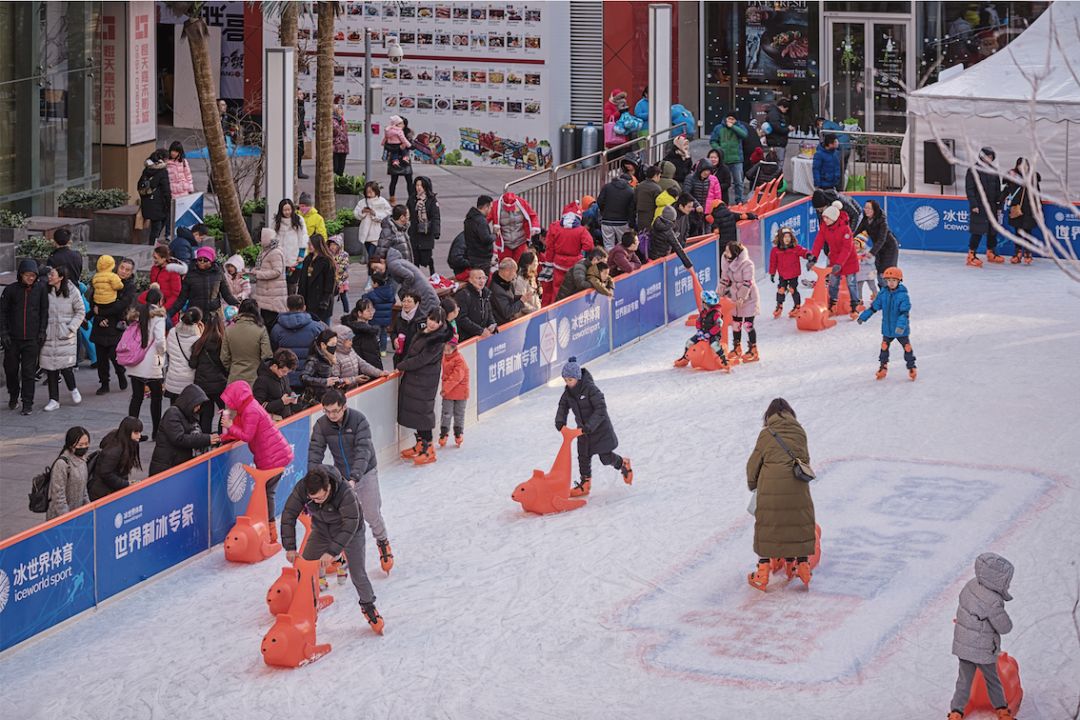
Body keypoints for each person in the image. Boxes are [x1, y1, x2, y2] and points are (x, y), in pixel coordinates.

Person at [280, 466, 385, 633]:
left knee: (358, 573)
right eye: (313, 499)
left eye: (321, 497)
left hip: (351, 532)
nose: (317, 501)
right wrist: (290, 547)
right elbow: (288, 515)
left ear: (328, 487)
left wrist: (332, 552)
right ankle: (308, 604)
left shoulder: (345, 492)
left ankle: (368, 606)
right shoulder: (303, 488)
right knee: (303, 567)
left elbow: (350, 523)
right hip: (322, 530)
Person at [308, 388, 394, 573]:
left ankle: (382, 541)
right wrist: (313, 481)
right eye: (326, 411)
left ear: (344, 407)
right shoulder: (322, 425)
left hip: (365, 471)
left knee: (371, 512)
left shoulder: (358, 420)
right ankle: (340, 554)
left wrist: (354, 478)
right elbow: (315, 452)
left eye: (335, 411)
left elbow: (363, 451)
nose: (331, 415)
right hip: (341, 475)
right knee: (341, 517)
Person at [746, 398, 814, 590]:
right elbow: (805, 460)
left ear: (768, 416)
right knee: (798, 523)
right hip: (798, 487)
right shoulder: (800, 432)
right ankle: (802, 566)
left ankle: (762, 571)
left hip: (770, 488)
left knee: (768, 526)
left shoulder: (767, 434)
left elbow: (754, 464)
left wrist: (753, 484)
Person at [220, 379, 295, 535]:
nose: (229, 404)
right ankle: (267, 528)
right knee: (265, 493)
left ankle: (270, 530)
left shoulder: (251, 410)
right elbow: (242, 428)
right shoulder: (247, 408)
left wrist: (230, 426)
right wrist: (225, 433)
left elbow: (247, 435)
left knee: (267, 494)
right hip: (272, 455)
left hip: (274, 457)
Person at [946, 553, 1016, 720]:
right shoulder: (993, 601)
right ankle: (1002, 710)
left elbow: (966, 606)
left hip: (963, 645)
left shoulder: (970, 585)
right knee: (993, 680)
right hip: (983, 650)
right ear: (998, 580)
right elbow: (1005, 627)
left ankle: (956, 712)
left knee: (963, 681)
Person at [556, 356, 633, 498]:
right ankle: (585, 484)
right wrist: (560, 422)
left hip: (600, 429)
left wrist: (590, 426)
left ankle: (623, 463)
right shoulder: (568, 392)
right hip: (583, 431)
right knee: (583, 457)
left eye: (570, 380)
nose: (568, 383)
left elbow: (601, 408)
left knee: (606, 458)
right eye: (565, 380)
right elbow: (563, 406)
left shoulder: (590, 389)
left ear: (578, 378)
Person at [397, 307, 453, 465]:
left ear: (442, 323)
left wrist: (402, 366)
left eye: (437, 321)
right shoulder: (423, 332)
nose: (432, 323)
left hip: (424, 382)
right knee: (416, 413)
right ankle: (421, 444)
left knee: (423, 414)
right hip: (415, 379)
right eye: (431, 319)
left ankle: (429, 450)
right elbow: (411, 352)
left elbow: (421, 359)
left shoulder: (437, 340)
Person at [122, 287, 167, 440]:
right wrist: (162, 354)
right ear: (160, 301)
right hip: (152, 363)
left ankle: (131, 432)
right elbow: (160, 340)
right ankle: (156, 431)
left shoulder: (136, 314)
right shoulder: (159, 317)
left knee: (137, 397)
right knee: (156, 398)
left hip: (136, 362)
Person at [857, 266, 916, 381]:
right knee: (884, 347)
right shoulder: (883, 294)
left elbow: (904, 313)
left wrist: (900, 327)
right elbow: (874, 307)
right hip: (887, 329)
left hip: (900, 330)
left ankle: (911, 367)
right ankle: (883, 367)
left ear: (899, 281)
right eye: (889, 280)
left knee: (907, 347)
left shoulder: (903, 296)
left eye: (893, 280)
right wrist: (863, 317)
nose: (891, 283)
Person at [41, 266, 85, 412]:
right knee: (50, 368)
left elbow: (80, 311)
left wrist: (70, 328)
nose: (49, 276)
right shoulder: (45, 290)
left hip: (65, 334)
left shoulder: (72, 291)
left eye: (52, 274)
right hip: (48, 334)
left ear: (60, 277)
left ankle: (73, 389)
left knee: (66, 366)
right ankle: (54, 399)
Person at [90, 258, 136, 396]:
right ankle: (104, 383)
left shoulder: (129, 286)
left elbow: (122, 305)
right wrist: (98, 317)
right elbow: (94, 299)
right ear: (117, 267)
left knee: (115, 355)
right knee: (101, 355)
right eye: (122, 268)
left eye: (127, 270)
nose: (124, 272)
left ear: (131, 272)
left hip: (116, 323)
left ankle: (121, 374)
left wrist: (102, 313)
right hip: (100, 323)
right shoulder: (105, 278)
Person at [148, 384, 218, 476]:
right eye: (197, 405)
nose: (198, 408)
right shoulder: (172, 414)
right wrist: (206, 439)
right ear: (189, 402)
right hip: (166, 466)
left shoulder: (189, 415)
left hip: (175, 464)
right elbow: (179, 438)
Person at [809, 200, 860, 318]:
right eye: (824, 217)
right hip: (835, 258)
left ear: (834, 218)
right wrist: (813, 258)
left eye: (827, 218)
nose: (824, 220)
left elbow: (847, 249)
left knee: (851, 283)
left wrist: (839, 263)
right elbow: (818, 242)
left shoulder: (845, 229)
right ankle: (833, 304)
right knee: (833, 283)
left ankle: (854, 306)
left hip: (848, 260)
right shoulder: (824, 227)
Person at [271, 294, 327, 391]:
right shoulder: (317, 327)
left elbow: (274, 351)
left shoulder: (277, 329)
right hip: (310, 376)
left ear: (287, 307)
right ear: (304, 307)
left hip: (285, 377)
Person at [167, 246, 240, 319]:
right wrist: (169, 314)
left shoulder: (219, 274)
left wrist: (238, 306)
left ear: (211, 261)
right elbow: (182, 299)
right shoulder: (190, 274)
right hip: (195, 315)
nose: (202, 262)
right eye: (199, 259)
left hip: (213, 315)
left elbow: (227, 295)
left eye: (205, 260)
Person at [542, 208, 594, 306]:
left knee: (557, 288)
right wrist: (580, 252)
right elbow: (589, 246)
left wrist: (549, 262)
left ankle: (555, 311)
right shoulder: (581, 230)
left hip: (558, 264)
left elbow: (550, 246)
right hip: (575, 264)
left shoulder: (555, 227)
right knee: (575, 288)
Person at [719, 241, 761, 363]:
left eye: (728, 251)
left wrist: (742, 297)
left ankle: (753, 349)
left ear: (735, 253)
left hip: (749, 298)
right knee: (736, 324)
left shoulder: (747, 264)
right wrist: (718, 295)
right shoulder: (726, 262)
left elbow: (748, 282)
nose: (725, 253)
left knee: (748, 325)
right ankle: (737, 348)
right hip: (734, 297)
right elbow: (724, 279)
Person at [965, 147, 1006, 266]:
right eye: (987, 156)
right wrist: (974, 204)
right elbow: (970, 189)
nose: (989, 159)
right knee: (977, 230)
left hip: (992, 206)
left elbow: (998, 189)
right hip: (979, 205)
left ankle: (991, 252)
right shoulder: (973, 170)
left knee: (992, 231)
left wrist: (999, 204)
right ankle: (971, 255)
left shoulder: (994, 171)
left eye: (991, 157)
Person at [189, 311, 228, 432]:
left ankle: (205, 442)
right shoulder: (223, 343)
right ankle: (221, 438)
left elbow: (192, 364)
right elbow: (225, 364)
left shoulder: (199, 343)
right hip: (220, 385)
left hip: (202, 385)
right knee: (225, 411)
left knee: (206, 414)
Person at [673, 290, 731, 372]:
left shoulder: (716, 313)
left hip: (713, 334)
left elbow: (718, 325)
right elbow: (698, 321)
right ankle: (685, 359)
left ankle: (723, 359)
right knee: (689, 342)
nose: (701, 303)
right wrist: (700, 330)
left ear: (705, 303)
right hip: (702, 333)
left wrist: (710, 333)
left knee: (714, 345)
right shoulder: (703, 312)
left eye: (702, 302)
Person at [88, 416, 143, 501]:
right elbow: (106, 473)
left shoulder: (125, 444)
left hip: (110, 490)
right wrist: (126, 484)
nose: (139, 436)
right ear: (128, 432)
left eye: (140, 432)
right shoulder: (114, 450)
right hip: (103, 493)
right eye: (136, 433)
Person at [222, 298, 271, 386]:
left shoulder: (229, 330)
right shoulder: (261, 330)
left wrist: (233, 368)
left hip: (234, 378)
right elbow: (267, 355)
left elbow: (224, 357)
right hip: (255, 380)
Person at [851, 199, 899, 286]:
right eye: (865, 208)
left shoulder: (882, 221)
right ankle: (884, 295)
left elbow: (882, 239)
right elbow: (857, 232)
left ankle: (892, 295)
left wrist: (872, 252)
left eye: (869, 208)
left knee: (886, 273)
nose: (866, 210)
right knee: (879, 273)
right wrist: (847, 241)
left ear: (875, 210)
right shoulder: (866, 220)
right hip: (879, 249)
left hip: (890, 248)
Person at [46, 426, 91, 520]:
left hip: (77, 514)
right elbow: (58, 497)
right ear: (71, 445)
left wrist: (88, 507)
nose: (84, 447)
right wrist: (67, 518)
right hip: (61, 519)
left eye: (86, 444)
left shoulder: (82, 460)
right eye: (80, 445)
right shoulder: (62, 464)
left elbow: (84, 489)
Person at [1004, 157, 1041, 264]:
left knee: (1028, 231)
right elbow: (1006, 190)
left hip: (1029, 209)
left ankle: (1028, 253)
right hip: (1017, 208)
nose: (1023, 168)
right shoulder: (1012, 177)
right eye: (1021, 166)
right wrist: (1000, 200)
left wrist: (1038, 208)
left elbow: (1037, 194)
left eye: (1025, 166)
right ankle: (1017, 252)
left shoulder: (1032, 178)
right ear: (1017, 166)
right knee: (1018, 232)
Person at [710, 112, 750, 205]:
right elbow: (713, 141)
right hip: (723, 159)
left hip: (736, 159)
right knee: (723, 182)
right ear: (725, 118)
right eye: (729, 118)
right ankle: (722, 201)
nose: (730, 121)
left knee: (738, 182)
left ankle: (739, 200)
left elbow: (744, 135)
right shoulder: (719, 128)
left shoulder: (739, 127)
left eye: (733, 119)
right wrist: (718, 149)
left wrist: (732, 127)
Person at [768, 227, 808, 318]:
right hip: (783, 274)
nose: (787, 239)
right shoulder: (775, 251)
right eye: (785, 237)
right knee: (781, 290)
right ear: (780, 238)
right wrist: (772, 273)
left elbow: (803, 252)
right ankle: (779, 305)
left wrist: (808, 255)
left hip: (794, 274)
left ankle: (797, 307)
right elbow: (773, 263)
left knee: (792, 289)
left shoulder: (795, 248)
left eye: (789, 237)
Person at [252, 227, 289, 328]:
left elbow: (277, 271)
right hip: (267, 294)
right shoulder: (267, 250)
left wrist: (258, 274)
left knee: (270, 322)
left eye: (261, 238)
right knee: (266, 320)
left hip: (272, 295)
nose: (259, 241)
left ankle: (271, 343)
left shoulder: (275, 252)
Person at [489, 191, 540, 263]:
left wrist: (534, 227)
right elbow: (485, 220)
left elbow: (533, 216)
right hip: (504, 244)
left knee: (521, 264)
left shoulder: (522, 203)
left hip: (520, 241)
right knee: (505, 265)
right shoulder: (495, 206)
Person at [330, 323, 387, 387]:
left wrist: (379, 373)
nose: (351, 342)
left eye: (351, 339)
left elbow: (363, 364)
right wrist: (355, 380)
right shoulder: (334, 357)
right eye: (348, 340)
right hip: (341, 394)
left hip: (354, 391)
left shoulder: (351, 351)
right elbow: (335, 381)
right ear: (339, 341)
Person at [164, 307, 203, 400]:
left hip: (172, 379)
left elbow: (168, 351)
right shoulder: (197, 339)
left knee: (174, 410)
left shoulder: (173, 332)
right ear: (198, 322)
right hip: (189, 381)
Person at [405, 176, 440, 276]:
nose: (418, 187)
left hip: (426, 232)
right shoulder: (412, 198)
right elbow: (407, 212)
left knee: (426, 257)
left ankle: (432, 270)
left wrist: (436, 231)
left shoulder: (432, 200)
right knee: (415, 257)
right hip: (414, 232)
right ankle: (417, 277)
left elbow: (436, 217)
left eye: (421, 185)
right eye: (417, 185)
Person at [272, 198, 309, 295]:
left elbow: (303, 238)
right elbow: (273, 239)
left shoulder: (298, 220)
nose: (287, 212)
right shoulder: (277, 222)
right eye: (285, 210)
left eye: (289, 209)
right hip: (280, 259)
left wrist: (301, 255)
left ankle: (292, 305)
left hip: (295, 259)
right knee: (281, 285)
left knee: (292, 284)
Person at [298, 233, 337, 323]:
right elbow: (303, 280)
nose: (309, 246)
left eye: (310, 244)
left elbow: (330, 283)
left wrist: (325, 300)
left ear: (317, 245)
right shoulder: (308, 259)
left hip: (321, 300)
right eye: (308, 244)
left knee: (323, 326)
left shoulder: (327, 261)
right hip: (308, 298)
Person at [438, 337, 469, 448]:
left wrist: (445, 389)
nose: (445, 353)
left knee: (459, 414)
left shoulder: (459, 360)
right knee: (446, 414)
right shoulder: (444, 357)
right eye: (444, 350)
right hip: (449, 393)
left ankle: (458, 433)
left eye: (448, 351)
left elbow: (456, 377)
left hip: (460, 393)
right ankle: (444, 433)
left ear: (454, 349)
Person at [301, 327, 345, 404]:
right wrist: (325, 382)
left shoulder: (331, 357)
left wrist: (338, 382)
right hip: (317, 400)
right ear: (323, 345)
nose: (334, 347)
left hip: (329, 397)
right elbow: (304, 377)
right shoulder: (314, 360)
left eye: (335, 344)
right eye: (332, 344)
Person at [253, 348, 300, 420]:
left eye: (287, 372)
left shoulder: (283, 376)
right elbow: (257, 407)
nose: (285, 374)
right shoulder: (262, 381)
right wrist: (281, 402)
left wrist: (292, 396)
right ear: (275, 366)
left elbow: (287, 390)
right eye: (284, 371)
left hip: (286, 419)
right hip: (271, 423)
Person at [140, 246, 187, 314]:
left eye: (156, 258)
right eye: (153, 257)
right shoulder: (154, 269)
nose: (154, 260)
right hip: (155, 305)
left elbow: (175, 294)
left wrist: (164, 308)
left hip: (166, 308)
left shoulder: (173, 272)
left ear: (164, 258)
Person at [138, 149, 172, 243]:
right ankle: (152, 248)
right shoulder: (162, 172)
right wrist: (169, 204)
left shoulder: (146, 170)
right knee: (156, 229)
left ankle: (151, 245)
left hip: (147, 202)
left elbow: (140, 186)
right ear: (163, 159)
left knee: (154, 227)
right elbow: (166, 191)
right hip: (159, 205)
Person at [354, 181, 393, 260]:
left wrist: (375, 214)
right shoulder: (362, 202)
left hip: (377, 233)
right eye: (367, 191)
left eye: (371, 191)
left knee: (373, 256)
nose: (369, 193)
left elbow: (388, 213)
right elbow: (356, 214)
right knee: (370, 254)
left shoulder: (382, 201)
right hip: (366, 233)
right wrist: (362, 212)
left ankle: (373, 270)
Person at [454, 268, 496, 340]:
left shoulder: (486, 293)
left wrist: (492, 324)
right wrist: (480, 331)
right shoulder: (463, 295)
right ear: (470, 280)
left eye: (484, 278)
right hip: (468, 338)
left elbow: (489, 312)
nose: (482, 281)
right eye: (478, 278)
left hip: (483, 336)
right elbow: (461, 318)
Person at [596, 173, 635, 250]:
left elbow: (600, 201)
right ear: (630, 181)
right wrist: (631, 223)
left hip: (606, 220)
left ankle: (610, 261)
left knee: (608, 245)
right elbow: (632, 209)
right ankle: (620, 260)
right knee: (623, 245)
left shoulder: (607, 187)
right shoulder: (630, 191)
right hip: (622, 222)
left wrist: (603, 212)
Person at [342, 298, 384, 370]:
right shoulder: (367, 333)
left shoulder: (350, 327)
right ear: (359, 313)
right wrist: (379, 371)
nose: (371, 313)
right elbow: (371, 356)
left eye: (372, 310)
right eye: (368, 311)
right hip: (367, 370)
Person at [382, 114, 413, 204]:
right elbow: (387, 146)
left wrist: (407, 146)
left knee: (409, 180)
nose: (401, 125)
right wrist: (399, 148)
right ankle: (392, 199)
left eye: (402, 123)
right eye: (399, 123)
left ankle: (411, 199)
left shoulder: (408, 133)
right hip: (394, 159)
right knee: (393, 180)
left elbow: (411, 146)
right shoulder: (391, 133)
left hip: (405, 159)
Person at [361, 274, 394, 354]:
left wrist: (366, 292)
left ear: (376, 283)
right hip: (387, 318)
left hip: (375, 318)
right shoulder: (390, 291)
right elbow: (394, 301)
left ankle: (374, 349)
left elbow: (365, 300)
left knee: (374, 334)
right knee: (384, 333)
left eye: (372, 282)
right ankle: (383, 350)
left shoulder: (372, 293)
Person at [463, 195, 496, 274]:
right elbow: (486, 239)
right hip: (482, 259)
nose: (491, 210)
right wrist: (495, 234)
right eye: (490, 208)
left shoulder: (469, 218)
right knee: (482, 281)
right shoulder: (481, 221)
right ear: (486, 206)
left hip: (472, 256)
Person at [491, 258, 526, 325]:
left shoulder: (508, 282)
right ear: (507, 271)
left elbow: (510, 298)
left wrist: (521, 297)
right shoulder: (497, 290)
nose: (515, 275)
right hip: (501, 325)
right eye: (514, 272)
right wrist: (521, 301)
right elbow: (507, 312)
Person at [390, 292, 421, 364]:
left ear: (416, 303)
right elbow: (393, 332)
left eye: (409, 301)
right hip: (400, 357)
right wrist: (394, 339)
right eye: (404, 301)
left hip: (414, 358)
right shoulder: (399, 316)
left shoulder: (421, 319)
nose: (406, 304)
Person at [634, 165, 663, 234]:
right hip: (651, 217)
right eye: (659, 176)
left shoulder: (640, 186)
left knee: (642, 237)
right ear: (655, 175)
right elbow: (658, 204)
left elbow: (635, 200)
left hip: (640, 217)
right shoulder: (656, 188)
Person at [327, 236, 350, 314]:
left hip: (341, 280)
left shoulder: (344, 255)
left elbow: (343, 267)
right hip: (331, 280)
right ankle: (328, 312)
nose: (332, 246)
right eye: (331, 244)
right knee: (330, 296)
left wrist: (335, 268)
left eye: (335, 244)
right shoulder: (328, 255)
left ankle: (346, 312)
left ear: (339, 245)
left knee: (343, 296)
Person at [853, 235, 878, 309]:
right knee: (859, 287)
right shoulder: (852, 252)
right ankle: (859, 300)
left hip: (869, 273)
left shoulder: (868, 251)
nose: (855, 245)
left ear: (861, 244)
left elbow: (872, 260)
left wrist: (865, 258)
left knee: (872, 286)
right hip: (859, 274)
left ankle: (876, 297)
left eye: (857, 243)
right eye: (853, 243)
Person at [764, 98, 791, 164]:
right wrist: (788, 129)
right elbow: (777, 127)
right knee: (778, 164)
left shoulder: (774, 113)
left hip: (775, 142)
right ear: (782, 106)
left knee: (774, 163)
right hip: (777, 142)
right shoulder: (775, 114)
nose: (785, 111)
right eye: (786, 109)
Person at [331, 104, 349, 175]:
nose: (342, 111)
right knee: (335, 168)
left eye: (342, 109)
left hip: (343, 148)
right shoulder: (332, 121)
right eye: (339, 109)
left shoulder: (343, 121)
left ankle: (339, 184)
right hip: (335, 148)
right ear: (335, 111)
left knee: (341, 170)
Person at [296, 89, 309, 179]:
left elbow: (302, 120)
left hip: (299, 130)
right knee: (299, 150)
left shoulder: (301, 105)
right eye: (299, 94)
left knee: (301, 151)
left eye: (302, 94)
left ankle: (298, 169)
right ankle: (298, 170)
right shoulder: (296, 106)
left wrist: (304, 131)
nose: (302, 95)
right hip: (296, 131)